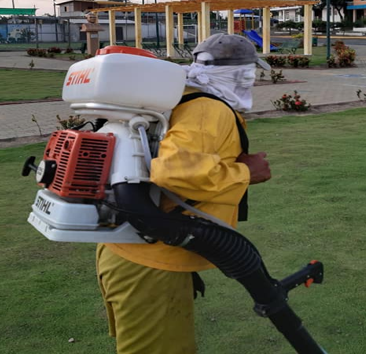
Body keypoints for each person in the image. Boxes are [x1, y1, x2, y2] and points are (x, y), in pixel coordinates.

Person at [96, 33, 272, 354]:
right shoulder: (209, 109)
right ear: (240, 73)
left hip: (130, 246)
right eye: (251, 73)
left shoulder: (181, 96)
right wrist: (247, 173)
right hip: (152, 260)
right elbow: (174, 172)